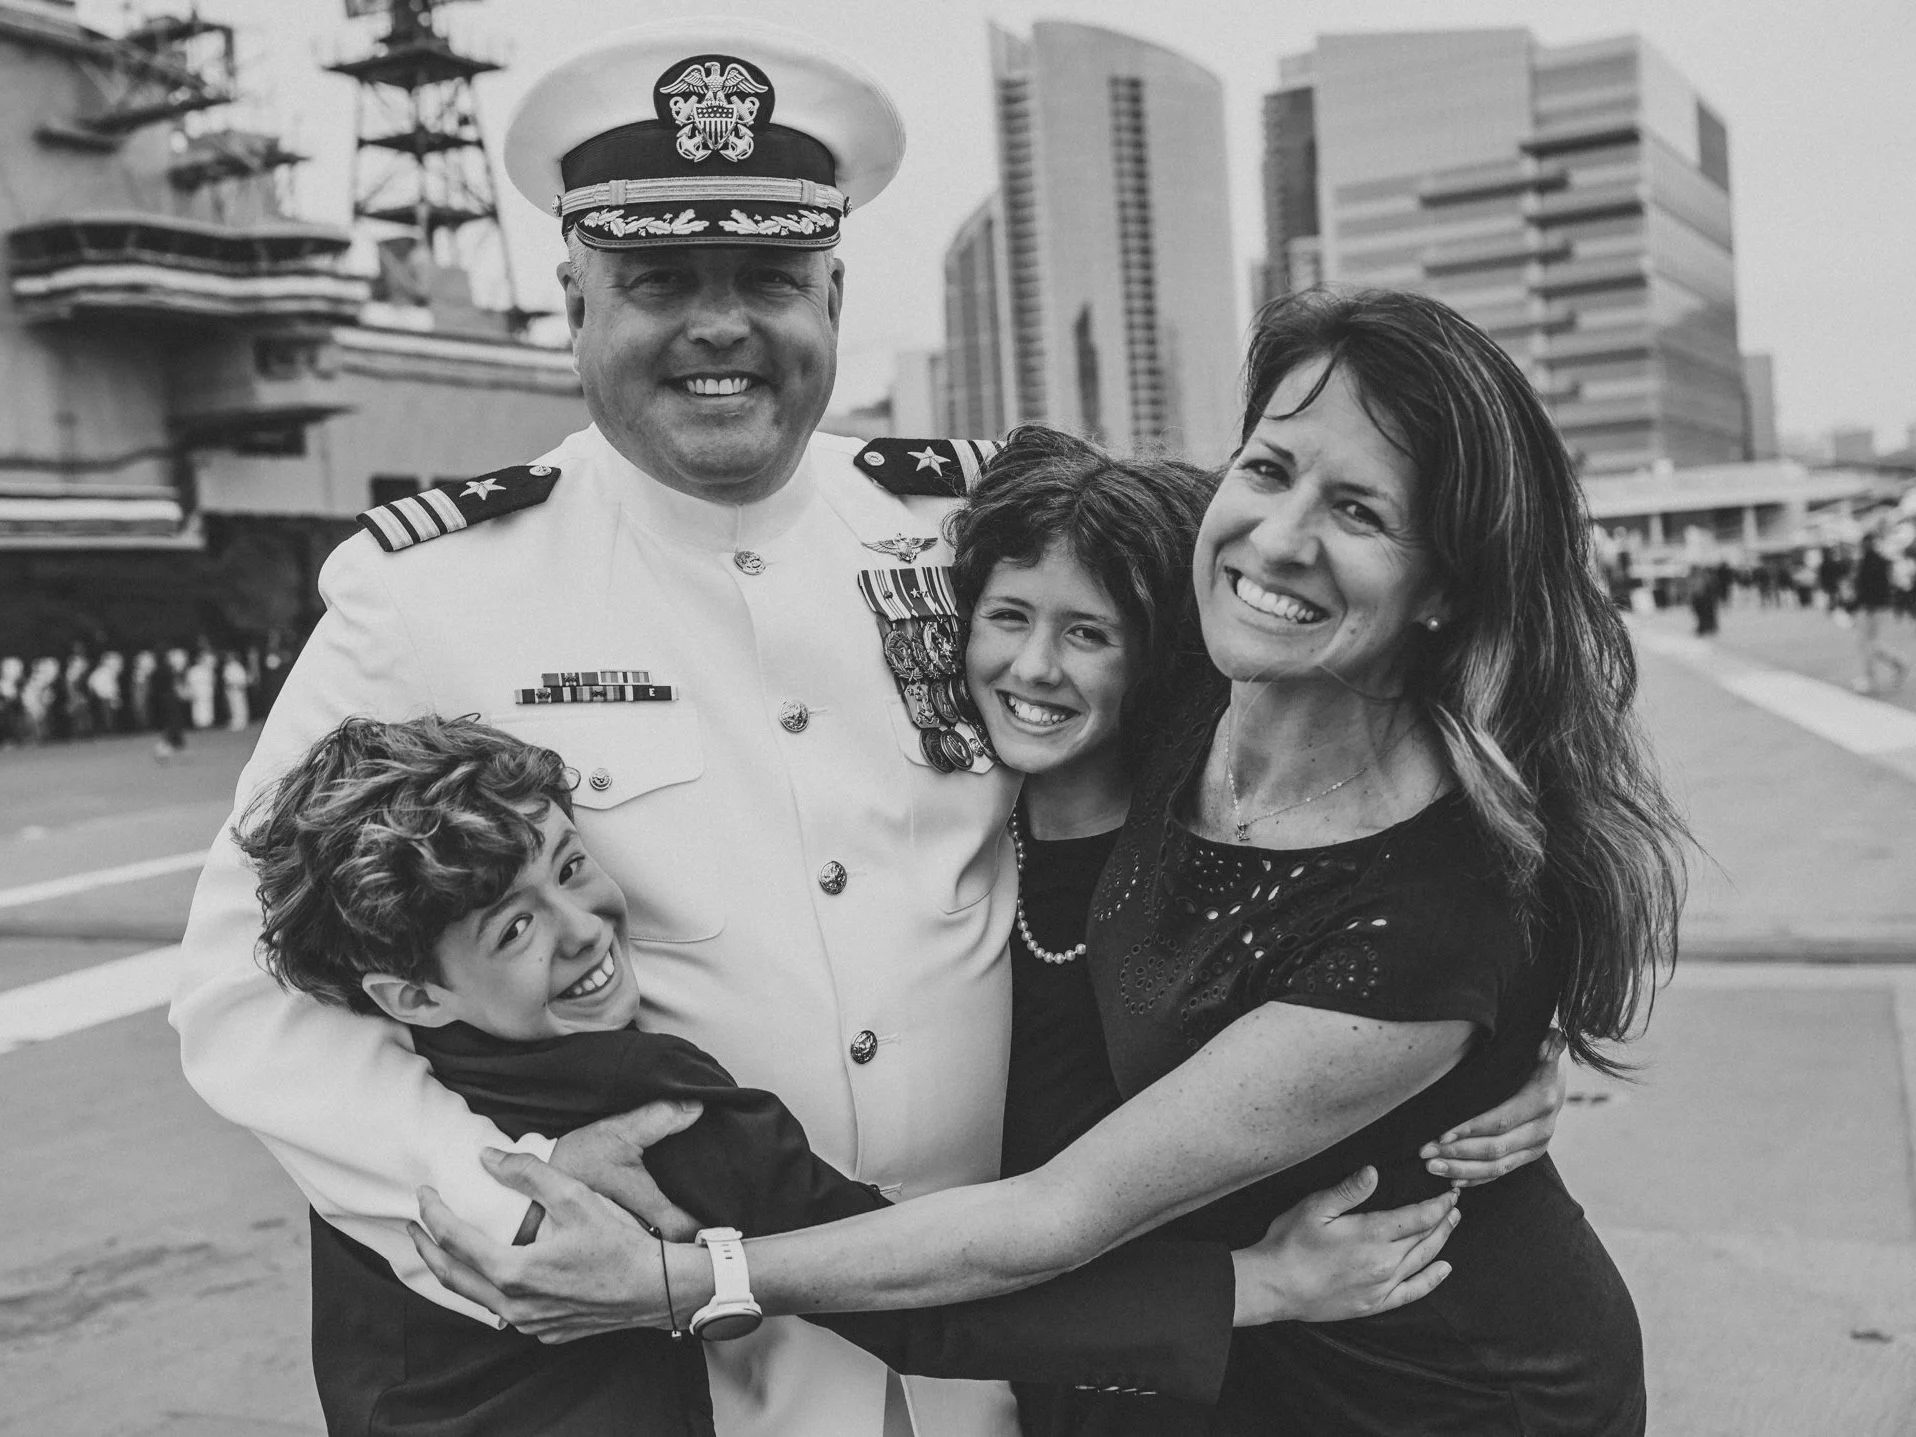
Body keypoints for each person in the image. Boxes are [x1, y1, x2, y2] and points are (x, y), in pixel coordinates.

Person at [169, 23, 1561, 1437]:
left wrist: (1499, 1030)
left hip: (991, 1336)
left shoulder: (970, 532)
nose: (722, 326)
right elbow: (247, 994)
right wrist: (507, 1206)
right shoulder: (432, 588)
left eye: (771, 279)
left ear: (833, 289)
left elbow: (1312, 694)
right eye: (657, 281)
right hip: (654, 1347)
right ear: (572, 295)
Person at [416, 289, 1683, 1436]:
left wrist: (682, 1286)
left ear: (1445, 589)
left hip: (1443, 1380)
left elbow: (1057, 1216)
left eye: (1358, 510)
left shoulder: (1428, 901)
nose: (1280, 537)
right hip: (1234, 1350)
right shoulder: (1194, 692)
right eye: (1271, 467)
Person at [241, 712, 1262, 1435]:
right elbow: (919, 1299)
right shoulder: (653, 1110)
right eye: (513, 928)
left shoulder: (378, 1104)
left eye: (567, 862)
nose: (581, 925)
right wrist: (1253, 1287)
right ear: (411, 995)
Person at [1851, 534, 1907, 693]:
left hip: (1870, 608)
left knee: (1866, 643)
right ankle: (1897, 663)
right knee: (1868, 643)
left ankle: (1872, 679)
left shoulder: (1868, 562)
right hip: (1876, 607)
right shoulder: (1880, 561)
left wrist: (1860, 605)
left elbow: (1868, 587)